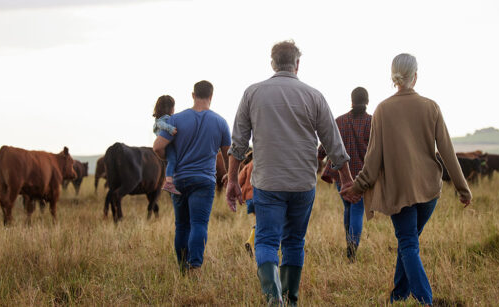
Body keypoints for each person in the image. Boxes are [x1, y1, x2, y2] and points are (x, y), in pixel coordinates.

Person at [226, 40, 353, 306]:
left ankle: (274, 298)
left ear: (272, 63)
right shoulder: (314, 96)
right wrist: (347, 179)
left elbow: (238, 144)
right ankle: (290, 300)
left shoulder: (252, 93)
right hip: (302, 183)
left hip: (267, 182)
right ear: (297, 64)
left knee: (266, 240)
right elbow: (334, 143)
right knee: (294, 241)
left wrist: (232, 182)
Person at [341, 53, 472, 306]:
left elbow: (373, 160)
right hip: (429, 190)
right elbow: (447, 151)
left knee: (408, 243)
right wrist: (462, 189)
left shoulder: (383, 110)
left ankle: (425, 300)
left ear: (394, 76)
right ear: (416, 75)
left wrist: (356, 187)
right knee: (408, 241)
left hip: (398, 192)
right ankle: (398, 295)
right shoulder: (431, 106)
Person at [152, 80, 231, 275]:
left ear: (193, 95)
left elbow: (157, 147)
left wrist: (168, 159)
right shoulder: (220, 122)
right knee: (199, 224)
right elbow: (228, 153)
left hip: (179, 179)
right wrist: (230, 174)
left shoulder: (175, 120)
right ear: (211, 97)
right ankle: (195, 266)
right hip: (204, 181)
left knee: (181, 225)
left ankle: (182, 268)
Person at [317, 87, 372, 262]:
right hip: (363, 176)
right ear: (367, 101)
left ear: (351, 100)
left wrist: (320, 159)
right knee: (357, 210)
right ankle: (352, 251)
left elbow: (321, 150)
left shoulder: (338, 122)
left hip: (341, 175)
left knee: (348, 208)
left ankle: (350, 247)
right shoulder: (372, 122)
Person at [152, 95, 181, 194]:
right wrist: (170, 129)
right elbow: (161, 125)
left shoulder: (160, 119)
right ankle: (168, 183)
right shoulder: (163, 119)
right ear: (169, 108)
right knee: (172, 160)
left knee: (172, 161)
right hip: (167, 144)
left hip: (167, 143)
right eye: (173, 107)